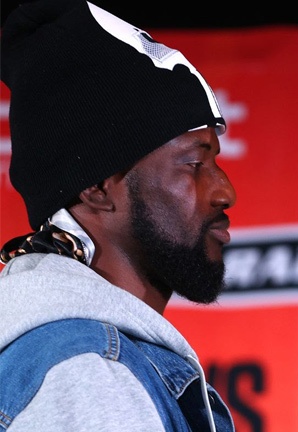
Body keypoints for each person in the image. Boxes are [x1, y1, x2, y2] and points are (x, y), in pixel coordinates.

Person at [0, 0, 236, 430]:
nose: (225, 191)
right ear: (97, 188)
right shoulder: (88, 374)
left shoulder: (86, 361)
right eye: (194, 164)